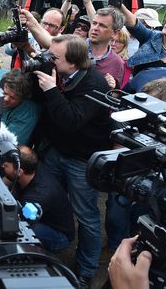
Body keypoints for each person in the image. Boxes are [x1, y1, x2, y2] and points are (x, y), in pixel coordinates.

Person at [33, 34, 112, 288]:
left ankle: (87, 269)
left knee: (87, 215)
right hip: (57, 151)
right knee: (45, 199)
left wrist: (52, 90)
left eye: (54, 58)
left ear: (74, 63)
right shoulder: (59, 71)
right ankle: (44, 247)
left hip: (82, 160)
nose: (49, 61)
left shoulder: (94, 84)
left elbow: (71, 121)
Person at [1, 145, 75, 253]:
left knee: (21, 230)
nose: (2, 165)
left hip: (59, 235)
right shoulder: (30, 166)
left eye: (6, 165)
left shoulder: (38, 196)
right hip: (44, 218)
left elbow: (15, 222)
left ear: (20, 172)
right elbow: (7, 180)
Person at [0, 69, 40, 145]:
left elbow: (7, 143)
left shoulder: (27, 113)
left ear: (23, 98)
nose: (6, 99)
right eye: (4, 93)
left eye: (13, 97)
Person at [87, 7, 126, 88]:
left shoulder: (117, 63)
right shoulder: (72, 48)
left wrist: (110, 88)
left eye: (102, 25)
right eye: (94, 23)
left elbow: (115, 96)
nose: (95, 28)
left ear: (115, 33)